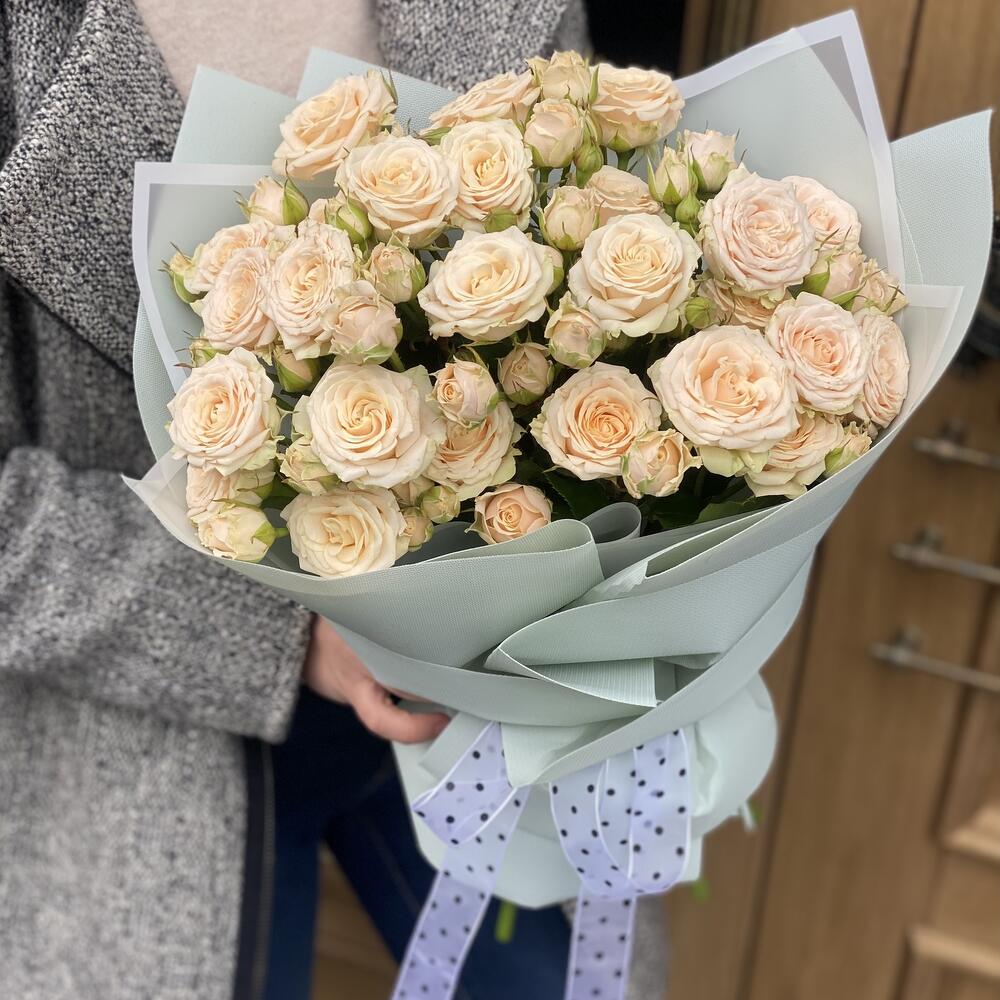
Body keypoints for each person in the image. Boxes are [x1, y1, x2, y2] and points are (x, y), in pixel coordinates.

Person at [0, 2, 666, 998]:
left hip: (487, 676)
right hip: (128, 722)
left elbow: (604, 219)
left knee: (568, 979)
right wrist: (278, 629)